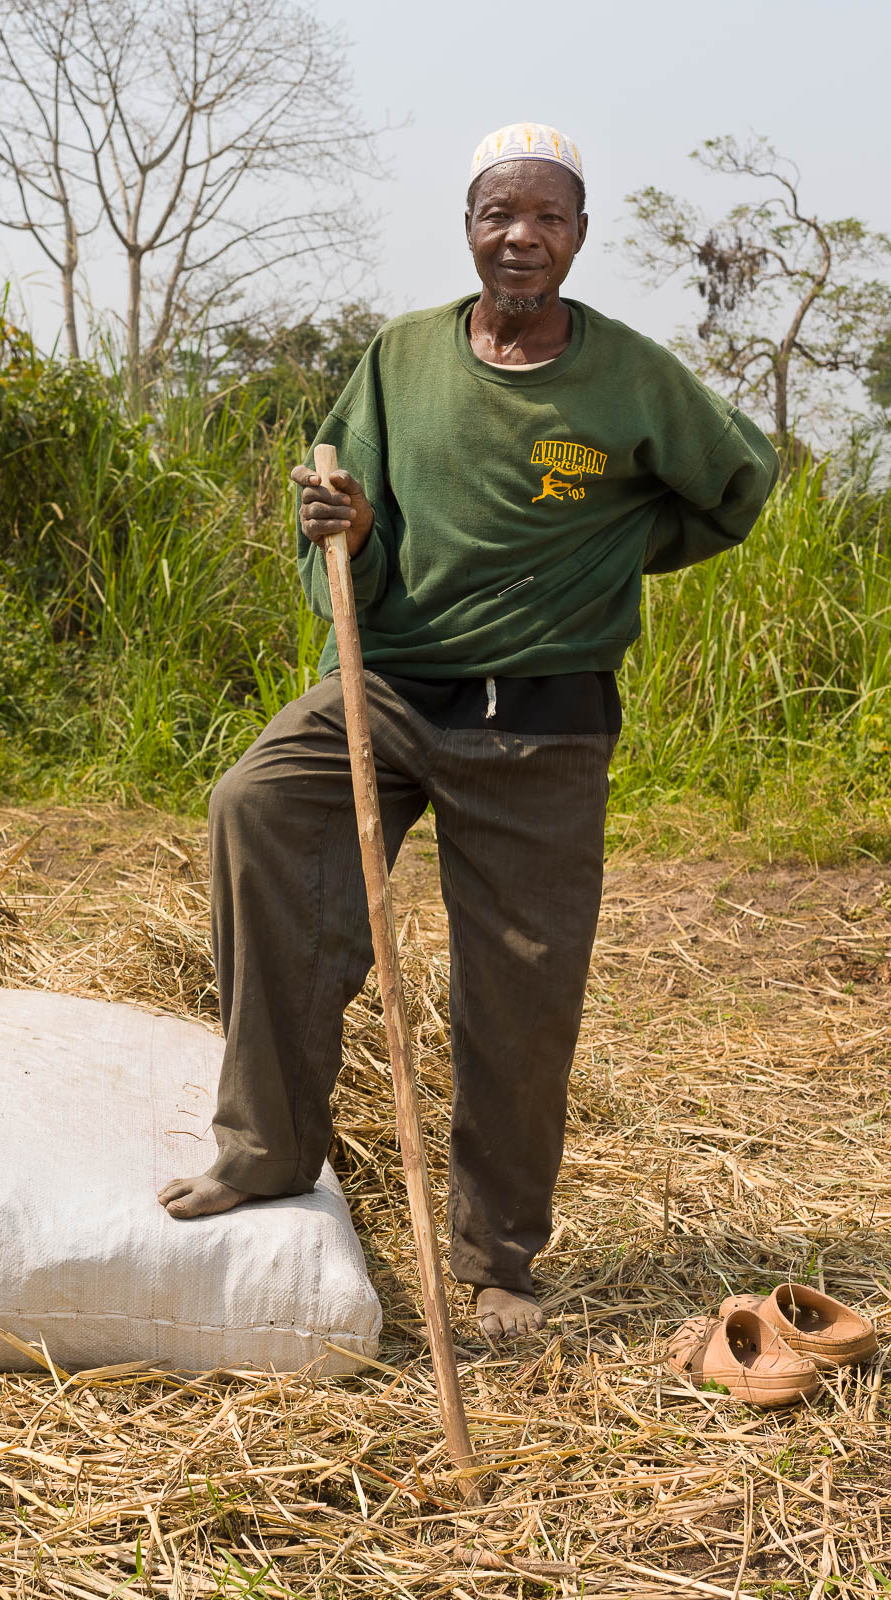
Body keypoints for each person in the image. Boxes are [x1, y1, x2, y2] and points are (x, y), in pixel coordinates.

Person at [158, 123, 779, 1340]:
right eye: (500, 212)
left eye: (547, 216)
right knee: (257, 805)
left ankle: (497, 1261)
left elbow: (737, 484)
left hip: (541, 722)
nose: (521, 236)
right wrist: (334, 519)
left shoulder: (630, 376)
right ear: (468, 225)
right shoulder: (400, 359)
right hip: (391, 690)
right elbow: (345, 532)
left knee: (520, 994)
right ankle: (269, 1150)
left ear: (579, 238)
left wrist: (620, 547)